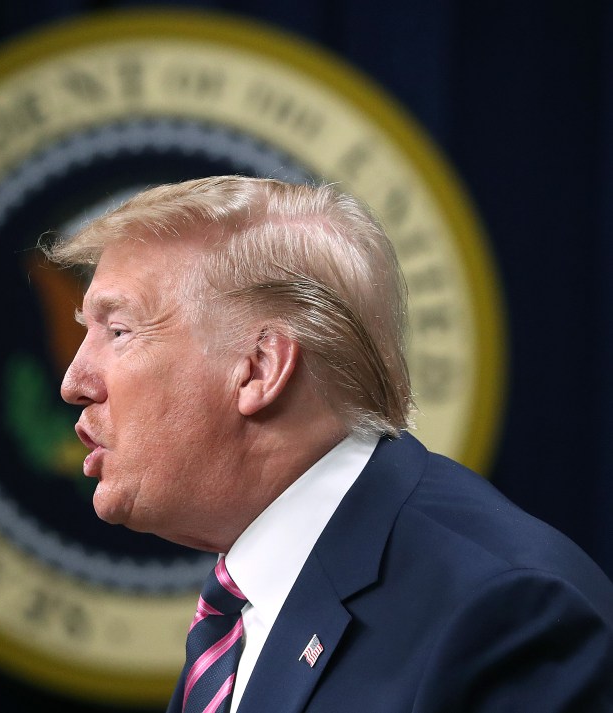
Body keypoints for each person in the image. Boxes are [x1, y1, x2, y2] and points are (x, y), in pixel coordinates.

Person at [45, 176, 613, 712]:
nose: (74, 382)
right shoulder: (243, 607)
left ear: (259, 369)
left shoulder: (506, 613)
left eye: (117, 331)